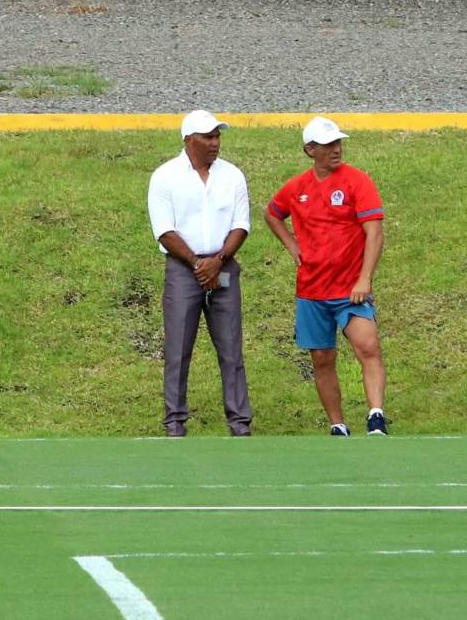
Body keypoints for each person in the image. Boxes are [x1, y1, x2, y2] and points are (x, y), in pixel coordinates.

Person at [263, 117, 389, 437]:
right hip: (312, 290)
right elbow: (272, 213)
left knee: (368, 344)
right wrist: (292, 245)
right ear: (310, 150)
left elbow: (374, 232)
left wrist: (365, 278)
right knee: (321, 357)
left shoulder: (357, 181)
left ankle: (376, 416)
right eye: (328, 145)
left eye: (338, 143)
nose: (336, 149)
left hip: (349, 289)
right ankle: (338, 424)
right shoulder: (297, 187)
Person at [147, 110, 252, 437]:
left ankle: (239, 423)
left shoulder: (232, 175)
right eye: (208, 137)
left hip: (222, 266)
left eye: (217, 136)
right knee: (178, 348)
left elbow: (241, 225)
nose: (215, 143)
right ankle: (175, 422)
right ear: (188, 140)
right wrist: (197, 263)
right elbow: (164, 230)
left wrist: (218, 260)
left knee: (231, 348)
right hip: (183, 269)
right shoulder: (165, 176)